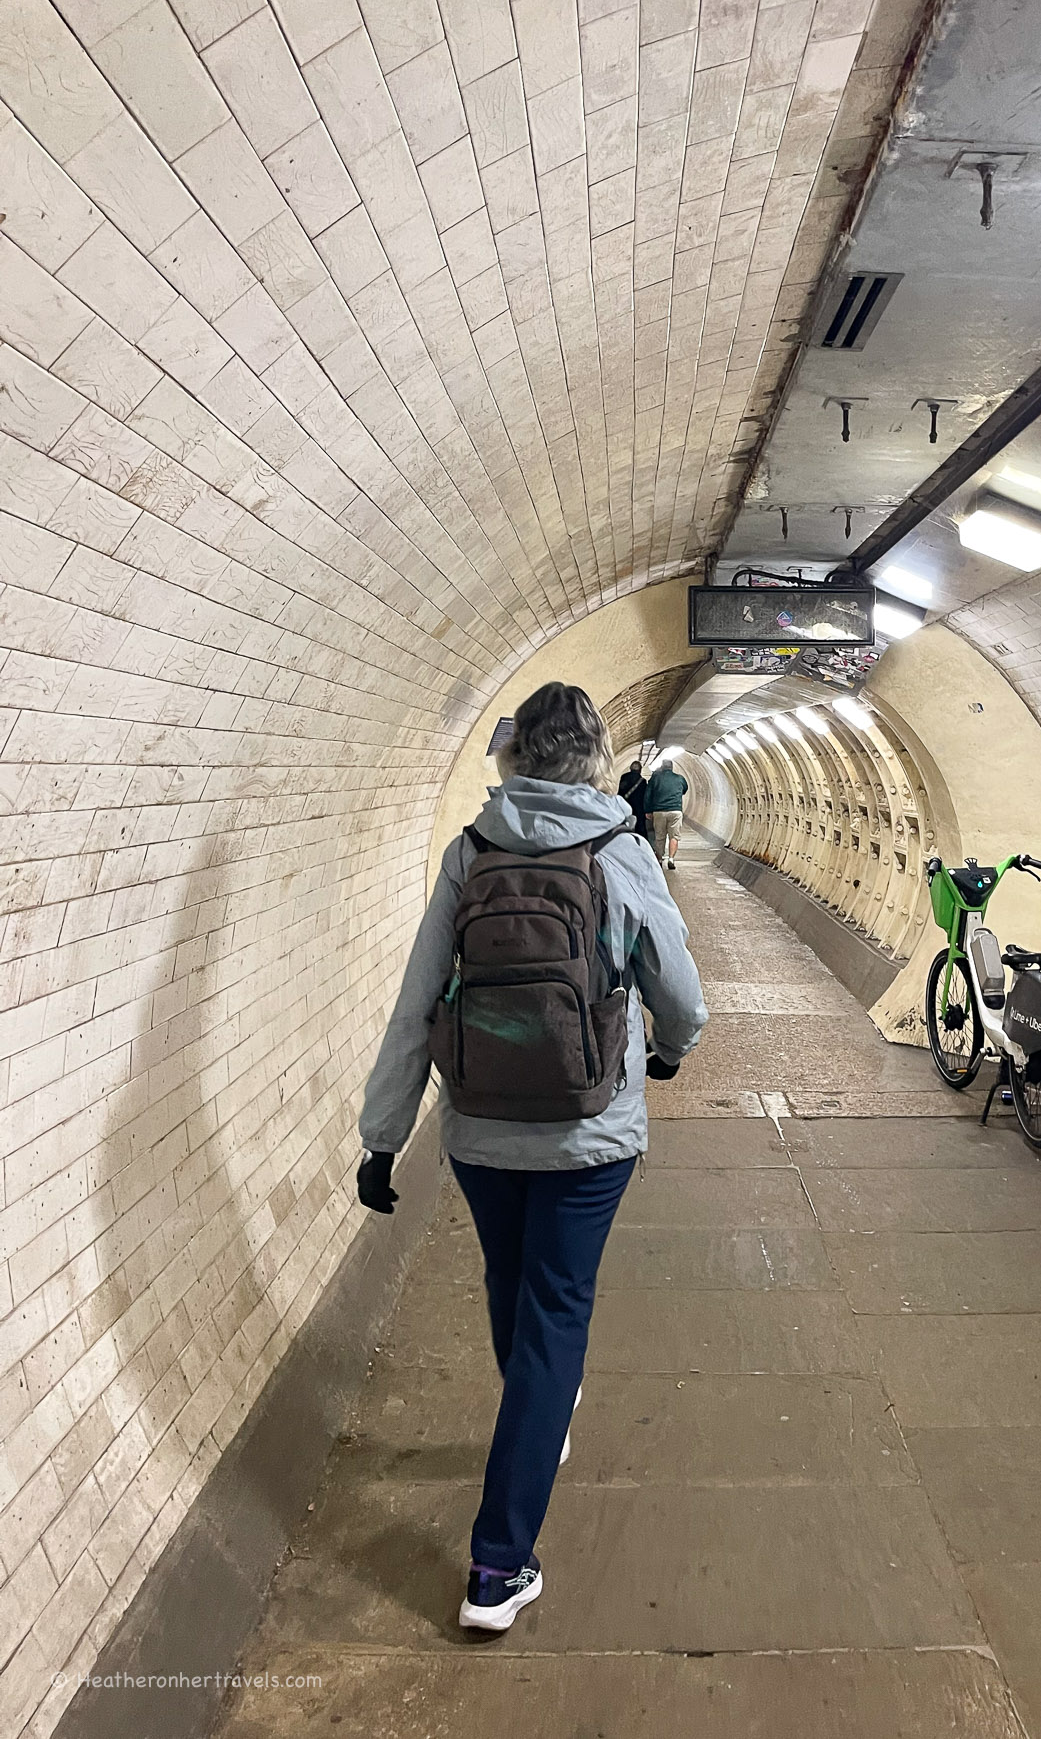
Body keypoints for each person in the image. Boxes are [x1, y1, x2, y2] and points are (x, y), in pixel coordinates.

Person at [356, 683, 707, 1633]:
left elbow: (415, 1001)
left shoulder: (469, 853)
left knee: (510, 1280)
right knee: (557, 1313)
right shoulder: (623, 851)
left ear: (513, 761)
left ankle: (534, 1417)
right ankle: (497, 1569)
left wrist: (383, 1136)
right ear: (597, 761)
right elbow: (679, 996)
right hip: (590, 1136)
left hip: (479, 1130)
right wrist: (669, 1053)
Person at [645, 758, 688, 870]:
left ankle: (659, 859)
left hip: (659, 811)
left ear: (662, 767)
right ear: (672, 767)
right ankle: (671, 859)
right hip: (675, 811)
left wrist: (647, 810)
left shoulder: (655, 779)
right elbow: (684, 789)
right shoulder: (680, 778)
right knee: (674, 836)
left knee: (660, 837)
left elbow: (648, 794)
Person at [617, 757, 649, 838]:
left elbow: (620, 792)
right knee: (640, 827)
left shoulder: (624, 777)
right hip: (639, 808)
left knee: (625, 826)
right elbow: (645, 796)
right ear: (640, 770)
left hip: (626, 806)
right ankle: (640, 843)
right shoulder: (642, 781)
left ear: (630, 768)